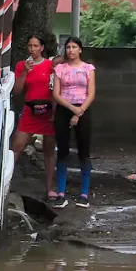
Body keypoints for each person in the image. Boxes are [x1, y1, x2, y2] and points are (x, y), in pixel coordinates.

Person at [11, 35, 58, 201]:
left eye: (36, 46)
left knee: (49, 150)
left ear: (42, 48)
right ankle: (4, 184)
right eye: (30, 46)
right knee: (17, 145)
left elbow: (56, 87)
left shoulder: (50, 65)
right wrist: (24, 71)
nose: (32, 49)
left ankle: (50, 188)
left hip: (48, 110)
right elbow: (16, 91)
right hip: (30, 109)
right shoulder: (21, 66)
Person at [51, 37, 95, 209]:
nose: (70, 50)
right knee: (62, 150)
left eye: (74, 47)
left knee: (84, 150)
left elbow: (91, 94)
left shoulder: (88, 69)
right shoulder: (60, 68)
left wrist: (79, 111)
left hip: (83, 109)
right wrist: (72, 109)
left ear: (80, 50)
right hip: (64, 108)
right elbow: (56, 93)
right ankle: (61, 193)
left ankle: (84, 194)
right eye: (68, 47)